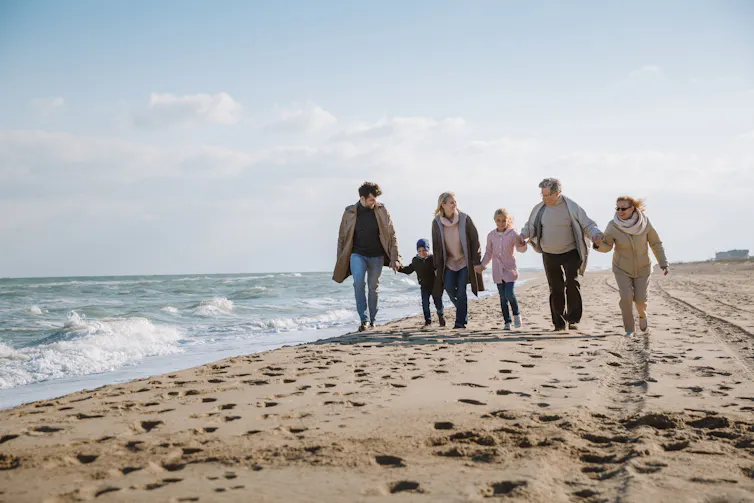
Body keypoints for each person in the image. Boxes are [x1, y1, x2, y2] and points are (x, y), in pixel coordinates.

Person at [519, 178, 604, 332]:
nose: (544, 199)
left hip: (571, 251)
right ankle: (558, 323)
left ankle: (573, 319)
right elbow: (529, 226)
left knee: (572, 283)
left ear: (557, 193)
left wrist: (596, 234)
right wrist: (522, 236)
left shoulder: (571, 207)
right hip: (549, 254)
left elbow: (588, 224)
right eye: (542, 195)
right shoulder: (540, 209)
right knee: (556, 288)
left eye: (547, 196)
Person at [594, 196, 669, 337]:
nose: (620, 211)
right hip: (621, 267)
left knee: (640, 300)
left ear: (632, 208)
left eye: (623, 208)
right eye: (617, 208)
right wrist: (598, 244)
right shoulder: (613, 225)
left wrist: (663, 263)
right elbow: (607, 246)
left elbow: (655, 243)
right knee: (626, 297)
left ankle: (642, 315)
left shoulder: (645, 223)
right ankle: (629, 329)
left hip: (643, 267)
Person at [333, 182, 401, 332]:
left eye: (375, 199)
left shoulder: (382, 211)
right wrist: (340, 260)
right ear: (362, 198)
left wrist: (395, 257)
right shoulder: (349, 212)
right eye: (371, 199)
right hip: (357, 254)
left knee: (373, 287)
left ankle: (373, 320)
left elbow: (392, 235)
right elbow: (342, 237)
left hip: (377, 255)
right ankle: (363, 320)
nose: (374, 202)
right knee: (358, 283)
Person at [431, 192, 484, 329]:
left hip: (464, 261)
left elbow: (474, 240)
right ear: (443, 205)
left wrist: (476, 261)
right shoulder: (436, 222)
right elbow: (436, 246)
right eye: (451, 202)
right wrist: (436, 266)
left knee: (461, 290)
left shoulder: (465, 219)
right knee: (448, 288)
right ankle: (462, 308)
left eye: (455, 202)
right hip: (448, 263)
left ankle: (460, 323)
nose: (455, 204)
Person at [476, 208, 527, 330]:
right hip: (497, 271)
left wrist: (523, 243)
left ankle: (516, 314)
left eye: (503, 220)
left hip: (510, 269)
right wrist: (483, 265)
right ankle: (507, 322)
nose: (501, 223)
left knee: (509, 293)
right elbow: (488, 253)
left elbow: (519, 249)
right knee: (502, 297)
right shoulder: (491, 235)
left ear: (507, 220)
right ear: (495, 220)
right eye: (498, 220)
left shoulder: (512, 234)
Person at [399, 239, 446, 328]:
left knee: (438, 302)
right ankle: (428, 321)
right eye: (419, 251)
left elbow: (440, 268)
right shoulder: (415, 260)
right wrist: (398, 268)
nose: (422, 252)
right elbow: (408, 270)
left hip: (435, 285)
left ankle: (441, 316)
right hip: (424, 286)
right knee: (425, 303)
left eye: (424, 250)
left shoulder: (433, 259)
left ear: (428, 250)